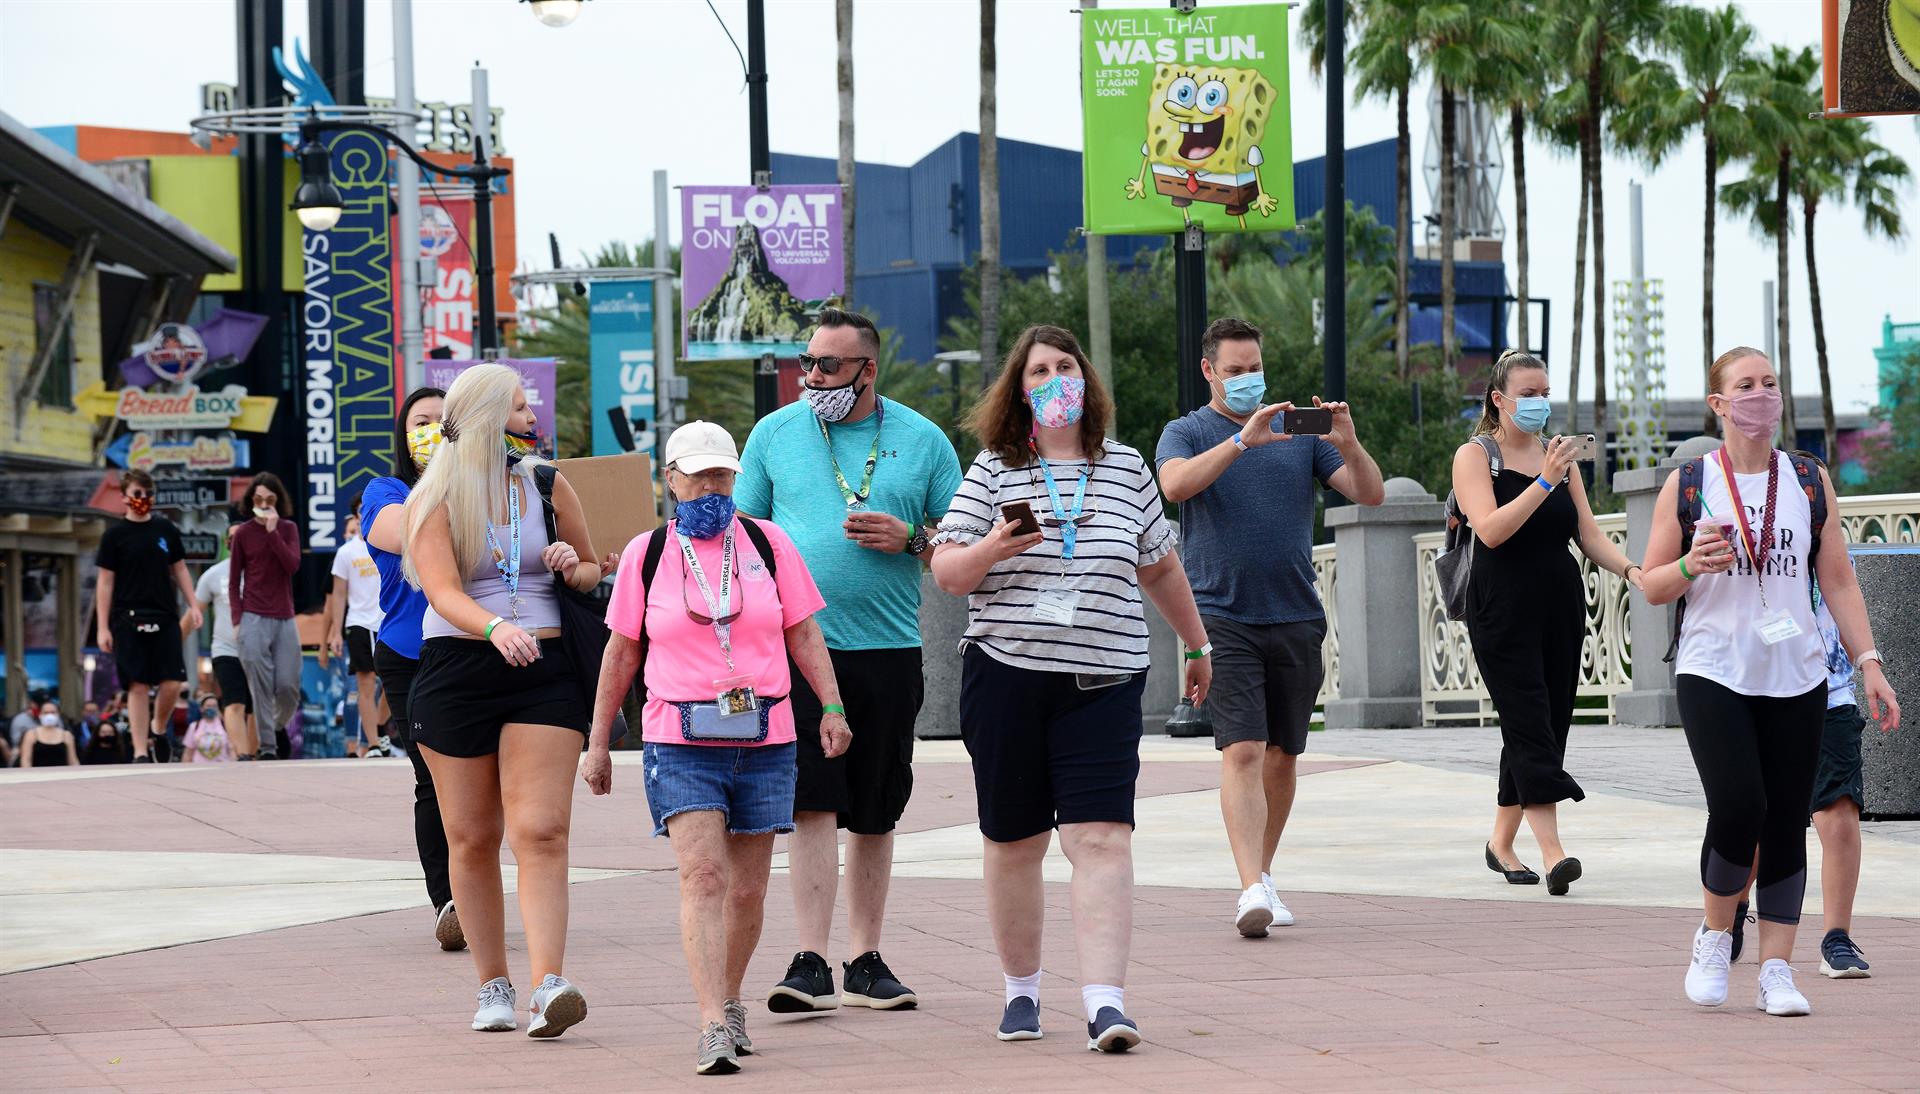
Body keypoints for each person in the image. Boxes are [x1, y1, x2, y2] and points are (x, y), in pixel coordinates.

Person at [931, 325, 1212, 1052]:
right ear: (1017, 392)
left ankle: (1105, 1003)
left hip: (1105, 680)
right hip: (1008, 677)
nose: (1054, 379)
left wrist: (1197, 641)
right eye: (1038, 372)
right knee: (1015, 842)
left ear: (1085, 380)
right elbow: (950, 572)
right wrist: (997, 543)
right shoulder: (994, 468)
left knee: (1100, 837)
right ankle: (1021, 992)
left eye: (1064, 367)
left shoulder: (1125, 468)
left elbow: (1158, 566)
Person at [583, 420, 850, 1076]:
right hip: (680, 737)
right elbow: (620, 653)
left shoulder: (768, 542)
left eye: (722, 473)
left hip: (767, 734)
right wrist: (596, 743)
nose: (710, 485)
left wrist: (834, 705)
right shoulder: (647, 555)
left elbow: (804, 632)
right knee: (703, 875)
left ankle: (729, 999)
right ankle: (709, 1021)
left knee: (749, 890)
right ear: (668, 479)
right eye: (697, 473)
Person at [1641, 346, 1900, 1017]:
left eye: (1770, 384)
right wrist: (1692, 566)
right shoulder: (1692, 480)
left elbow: (1837, 578)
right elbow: (1651, 584)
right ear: (1719, 404)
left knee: (1786, 820)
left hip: (1797, 673)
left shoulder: (1808, 479)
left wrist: (1868, 661)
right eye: (1745, 386)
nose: (1761, 396)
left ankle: (1776, 971)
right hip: (1713, 668)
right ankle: (1714, 932)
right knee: (1738, 806)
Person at [734, 307, 964, 1014]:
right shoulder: (774, 433)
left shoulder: (923, 440)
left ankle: (865, 958)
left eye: (828, 366)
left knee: (875, 809)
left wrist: (912, 538)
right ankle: (810, 960)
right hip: (797, 653)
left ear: (869, 370)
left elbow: (960, 548)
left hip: (889, 651)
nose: (812, 378)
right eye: (807, 363)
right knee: (811, 804)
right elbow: (741, 540)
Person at [1154, 316, 1386, 936]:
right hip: (1220, 614)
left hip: (1296, 613)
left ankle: (1264, 873)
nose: (1249, 380)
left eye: (1255, 368)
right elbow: (1173, 486)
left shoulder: (1296, 429)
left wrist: (1349, 439)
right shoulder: (1187, 431)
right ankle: (1249, 886)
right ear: (1209, 372)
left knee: (1283, 755)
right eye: (1235, 371)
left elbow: (1371, 495)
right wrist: (1239, 443)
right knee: (1244, 748)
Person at [405, 363, 601, 1037]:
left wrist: (573, 566)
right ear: (488, 417)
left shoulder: (546, 481)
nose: (530, 420)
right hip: (460, 665)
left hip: (546, 666)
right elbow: (440, 590)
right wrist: (493, 626)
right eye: (519, 409)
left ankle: (551, 984)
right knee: (472, 834)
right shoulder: (435, 497)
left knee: (541, 829)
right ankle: (492, 984)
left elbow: (593, 565)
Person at [1447, 350, 1643, 898]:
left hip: (1560, 602)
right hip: (1500, 606)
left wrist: (1632, 569)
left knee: (1548, 723)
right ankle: (1554, 854)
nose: (1539, 403)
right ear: (1499, 399)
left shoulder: (1560, 457)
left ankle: (1500, 844)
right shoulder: (1475, 456)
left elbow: (1588, 533)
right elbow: (1489, 530)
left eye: (1544, 392)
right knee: (1529, 719)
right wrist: (1541, 484)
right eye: (1528, 393)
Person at [1719, 451, 1886, 981]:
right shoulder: (1745, 531)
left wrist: (1871, 667)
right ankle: (1731, 914)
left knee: (1838, 811)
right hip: (1757, 688)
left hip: (1828, 689)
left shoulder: (1823, 531)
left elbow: (1844, 594)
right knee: (1760, 818)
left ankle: (1837, 936)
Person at [363, 385, 463, 950]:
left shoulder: (489, 486)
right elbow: (401, 533)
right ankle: (447, 900)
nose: (430, 429)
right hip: (409, 654)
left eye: (442, 421)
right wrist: (457, 490)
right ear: (404, 434)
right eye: (420, 421)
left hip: (473, 646)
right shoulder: (386, 491)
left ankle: (474, 890)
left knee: (482, 784)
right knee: (432, 778)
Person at [94, 469, 201, 761]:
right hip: (127, 616)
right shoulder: (114, 535)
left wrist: (193, 604)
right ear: (125, 497)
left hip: (165, 613)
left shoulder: (165, 530)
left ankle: (159, 726)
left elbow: (179, 568)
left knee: (172, 682)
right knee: (137, 684)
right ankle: (141, 751)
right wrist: (102, 627)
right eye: (138, 494)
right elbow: (105, 582)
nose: (143, 500)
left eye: (148, 494)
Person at [229, 472, 301, 760]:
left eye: (269, 500)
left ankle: (274, 726)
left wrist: (273, 533)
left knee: (287, 685)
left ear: (277, 501)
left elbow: (292, 565)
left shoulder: (287, 529)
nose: (263, 504)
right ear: (251, 500)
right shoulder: (243, 533)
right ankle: (268, 747)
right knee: (259, 685)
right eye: (258, 499)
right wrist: (237, 620)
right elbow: (235, 580)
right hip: (252, 615)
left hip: (284, 615)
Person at [323, 506, 391, 757]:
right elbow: (338, 595)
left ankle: (381, 726)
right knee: (365, 683)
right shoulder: (346, 552)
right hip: (358, 623)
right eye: (361, 510)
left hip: (387, 620)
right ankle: (372, 744)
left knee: (393, 682)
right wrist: (335, 633)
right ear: (356, 516)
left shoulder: (387, 542)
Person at [193, 525, 260, 759]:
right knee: (234, 702)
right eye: (231, 538)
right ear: (226, 543)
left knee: (256, 708)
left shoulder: (262, 571)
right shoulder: (212, 574)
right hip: (225, 649)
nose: (236, 541)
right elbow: (194, 611)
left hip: (258, 649)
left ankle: (253, 753)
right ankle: (242, 755)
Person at [20, 699, 79, 768]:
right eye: (46, 713)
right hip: (38, 776)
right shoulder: (31, 734)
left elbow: (73, 761)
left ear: (58, 714)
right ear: (40, 714)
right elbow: (25, 760)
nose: (50, 715)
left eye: (53, 712)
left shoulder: (67, 735)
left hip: (61, 775)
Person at [182, 695, 236, 763]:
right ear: (201, 708)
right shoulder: (194, 726)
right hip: (199, 768)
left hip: (222, 767)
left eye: (214, 706)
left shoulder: (226, 725)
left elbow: (232, 750)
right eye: (208, 706)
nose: (211, 708)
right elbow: (188, 752)